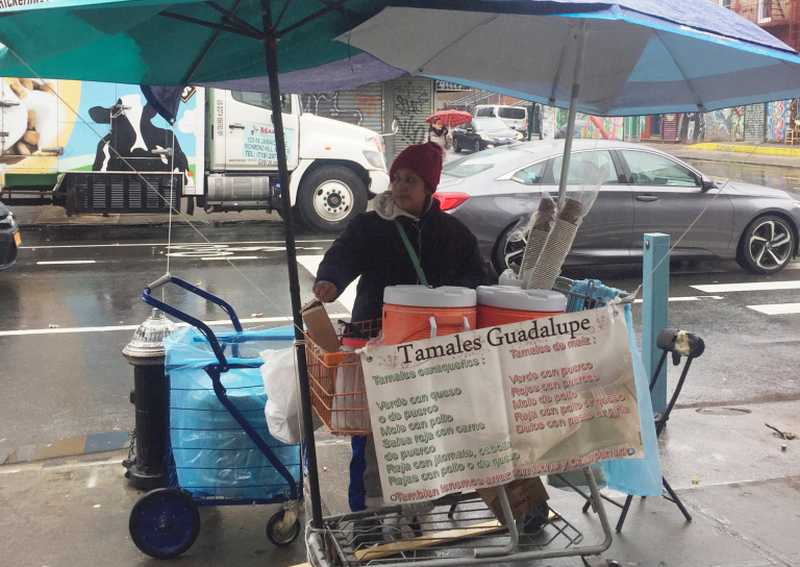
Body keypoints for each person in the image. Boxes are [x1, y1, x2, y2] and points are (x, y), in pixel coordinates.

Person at [313, 141, 487, 513]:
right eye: (396, 178)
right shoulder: (371, 225)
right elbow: (342, 254)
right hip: (372, 342)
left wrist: (455, 296)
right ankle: (366, 516)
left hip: (431, 347)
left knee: (418, 431)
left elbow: (478, 278)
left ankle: (413, 512)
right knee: (368, 431)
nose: (400, 186)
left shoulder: (453, 233)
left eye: (410, 179)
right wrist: (330, 280)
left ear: (429, 188)